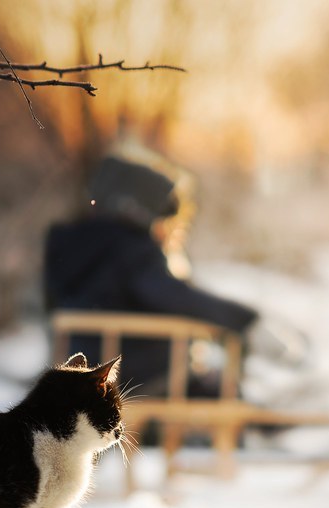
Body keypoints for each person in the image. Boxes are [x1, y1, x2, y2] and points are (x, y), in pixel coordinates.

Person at [43, 154, 262, 398]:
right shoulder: (131, 250)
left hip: (81, 374)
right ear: (142, 212)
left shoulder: (71, 247)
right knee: (228, 395)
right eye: (165, 221)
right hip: (137, 377)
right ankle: (261, 428)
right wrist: (243, 320)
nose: (167, 231)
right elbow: (172, 296)